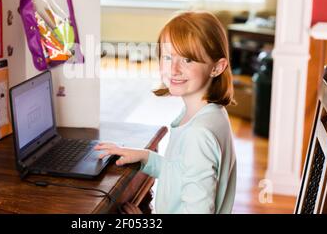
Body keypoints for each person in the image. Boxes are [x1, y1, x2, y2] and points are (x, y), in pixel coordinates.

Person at [95, 11, 237, 214]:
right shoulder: (211, 113)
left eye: (188, 60)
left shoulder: (198, 133)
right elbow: (183, 172)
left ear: (216, 67)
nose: (174, 69)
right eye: (168, 57)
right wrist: (145, 157)